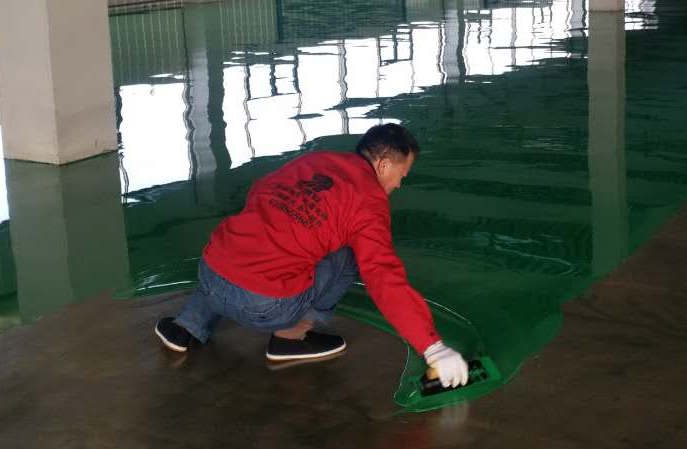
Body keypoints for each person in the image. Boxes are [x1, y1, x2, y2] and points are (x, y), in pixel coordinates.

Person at [154, 123, 469, 388]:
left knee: (243, 242)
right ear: (384, 165)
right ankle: (290, 339)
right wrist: (432, 346)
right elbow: (382, 275)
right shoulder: (369, 201)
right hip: (264, 305)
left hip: (209, 272)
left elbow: (258, 193)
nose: (399, 185)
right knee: (350, 255)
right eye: (402, 174)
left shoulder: (314, 160)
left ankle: (185, 327)